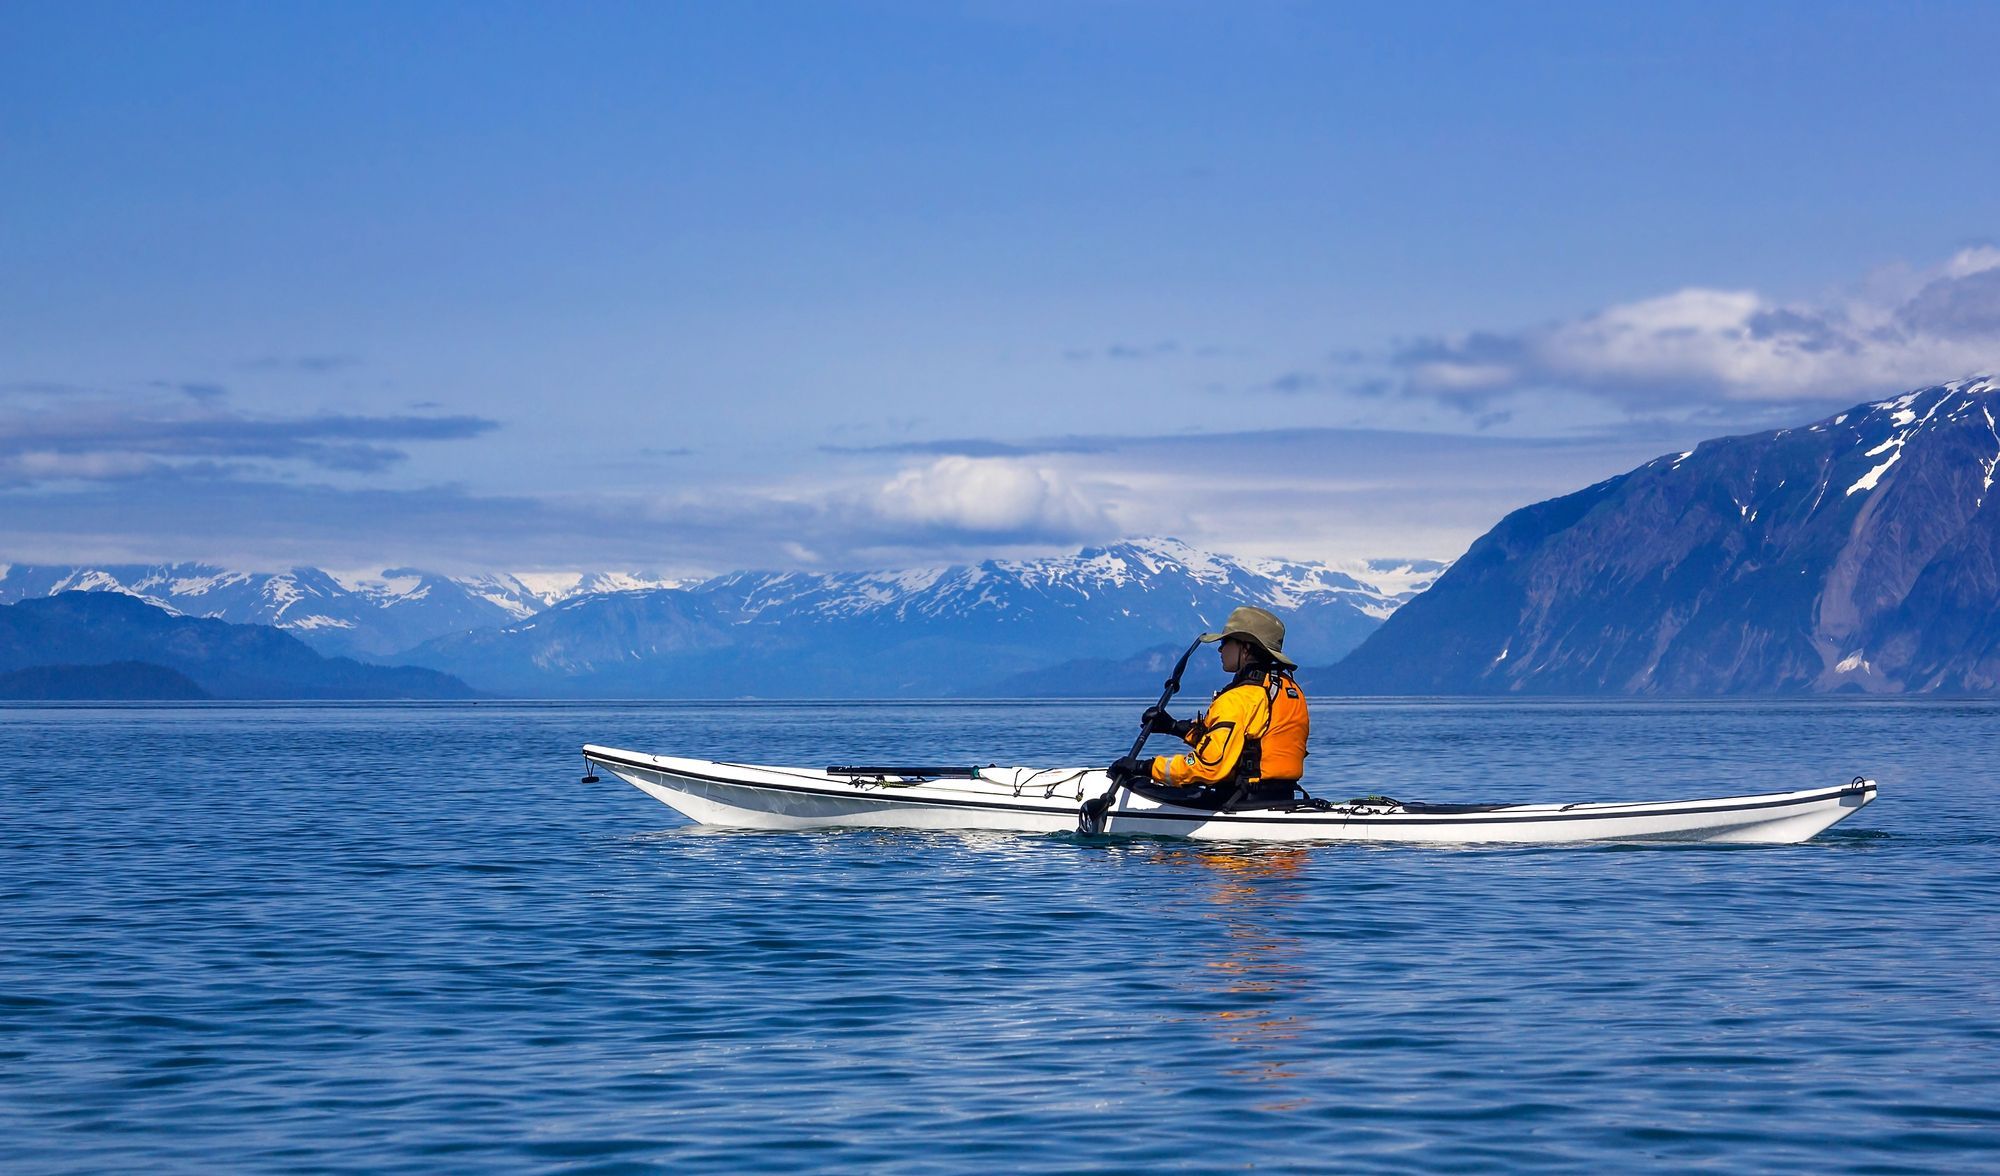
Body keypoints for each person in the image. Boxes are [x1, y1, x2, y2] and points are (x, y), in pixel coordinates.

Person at [1108, 605, 1311, 810]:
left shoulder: (1237, 699)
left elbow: (1208, 767)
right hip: (1284, 798)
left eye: (1225, 642)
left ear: (1246, 648)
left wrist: (1144, 767)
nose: (1220, 649)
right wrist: (1173, 726)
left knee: (1139, 785)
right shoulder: (1289, 689)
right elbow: (1238, 745)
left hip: (1241, 802)